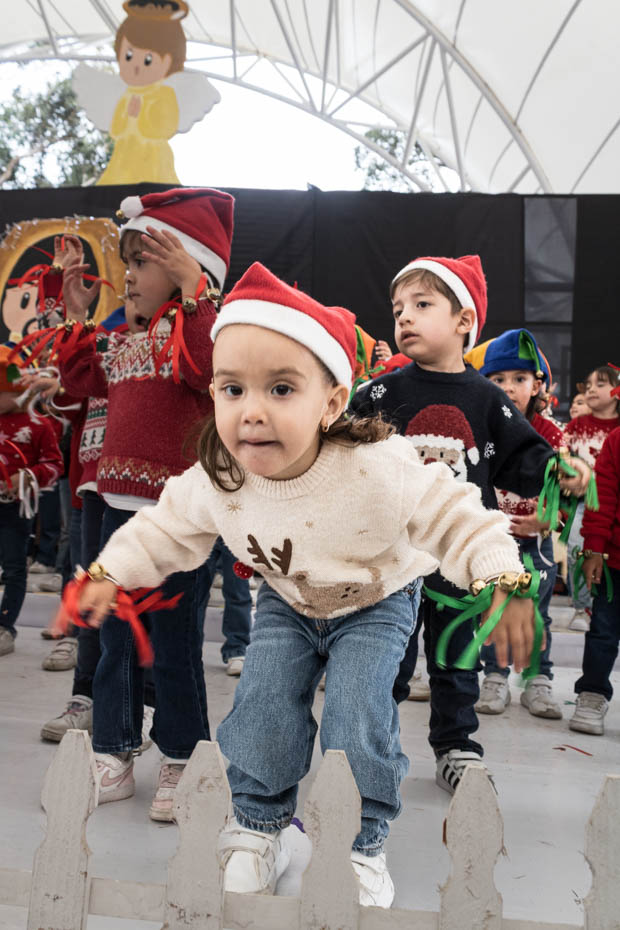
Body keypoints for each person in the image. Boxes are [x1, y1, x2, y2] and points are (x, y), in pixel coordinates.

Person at [76, 262, 539, 908]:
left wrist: (504, 575)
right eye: (232, 389)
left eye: (281, 389)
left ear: (331, 401)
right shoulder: (224, 475)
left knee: (356, 713)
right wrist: (111, 571)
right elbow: (166, 527)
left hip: (375, 600)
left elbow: (454, 511)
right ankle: (259, 827)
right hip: (287, 602)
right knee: (263, 706)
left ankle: (359, 841)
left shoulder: (375, 464)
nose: (251, 412)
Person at [350, 255, 590, 794]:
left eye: (422, 305)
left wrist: (556, 470)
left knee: (456, 660)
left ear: (464, 322)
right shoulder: (383, 392)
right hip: (392, 560)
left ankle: (456, 745)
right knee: (383, 657)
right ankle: (372, 745)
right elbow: (341, 448)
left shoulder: (487, 399)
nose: (405, 318)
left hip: (457, 561)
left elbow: (523, 456)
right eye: (398, 309)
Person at [43, 187, 234, 821]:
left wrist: (196, 294)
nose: (128, 275)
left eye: (144, 261)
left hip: (177, 524)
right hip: (116, 517)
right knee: (117, 640)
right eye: (127, 262)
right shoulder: (126, 340)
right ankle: (114, 752)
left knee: (175, 645)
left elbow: (211, 366)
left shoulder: (196, 332)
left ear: (186, 268)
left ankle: (182, 756)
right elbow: (81, 383)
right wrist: (72, 314)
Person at [472, 328, 565, 718]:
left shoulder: (550, 433)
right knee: (493, 609)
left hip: (534, 542)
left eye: (519, 379)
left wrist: (547, 519)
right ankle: (494, 676)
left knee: (537, 611)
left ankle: (536, 679)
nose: (508, 388)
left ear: (537, 385)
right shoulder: (482, 429)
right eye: (498, 380)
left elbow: (563, 488)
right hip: (494, 542)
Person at [0, 347, 63, 656]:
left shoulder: (39, 426)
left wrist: (27, 477)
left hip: (15, 509)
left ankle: (5, 627)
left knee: (13, 568)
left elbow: (55, 465)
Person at [569, 423, 620, 735]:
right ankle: (593, 693)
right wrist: (594, 549)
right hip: (616, 562)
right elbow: (602, 497)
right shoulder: (616, 440)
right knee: (603, 631)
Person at [564, 366, 620, 631]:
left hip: (613, 503)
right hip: (583, 501)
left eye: (600, 384)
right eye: (588, 385)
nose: (591, 390)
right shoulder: (577, 426)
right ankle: (582, 607)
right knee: (578, 547)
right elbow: (560, 459)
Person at [195, 536, 252, 675]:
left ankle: (237, 650)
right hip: (203, 525)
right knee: (195, 594)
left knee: (238, 591)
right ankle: (191, 651)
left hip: (235, 527)